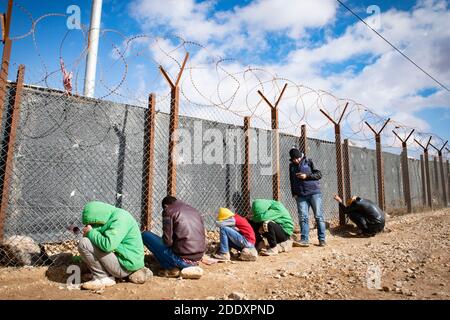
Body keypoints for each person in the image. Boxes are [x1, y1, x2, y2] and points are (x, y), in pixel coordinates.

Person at [77, 201, 150, 290]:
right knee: (90, 242)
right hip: (126, 262)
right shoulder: (114, 216)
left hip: (125, 267)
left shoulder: (119, 219)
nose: (91, 225)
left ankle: (102, 278)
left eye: (91, 223)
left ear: (97, 218)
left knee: (84, 243)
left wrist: (91, 232)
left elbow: (108, 245)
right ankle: (103, 275)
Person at [141, 196, 206, 277]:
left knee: (145, 235)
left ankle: (171, 267)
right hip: (197, 259)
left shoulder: (168, 211)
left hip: (181, 260)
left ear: (165, 206)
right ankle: (179, 267)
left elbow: (167, 242)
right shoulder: (194, 210)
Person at [289, 148, 326, 247]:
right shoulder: (292, 166)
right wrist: (294, 193)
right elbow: (292, 180)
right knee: (303, 217)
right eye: (293, 159)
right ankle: (304, 239)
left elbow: (319, 174)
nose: (295, 161)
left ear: (300, 156)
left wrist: (306, 176)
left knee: (318, 216)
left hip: (314, 193)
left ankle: (322, 239)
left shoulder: (309, 161)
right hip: (301, 195)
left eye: (297, 158)